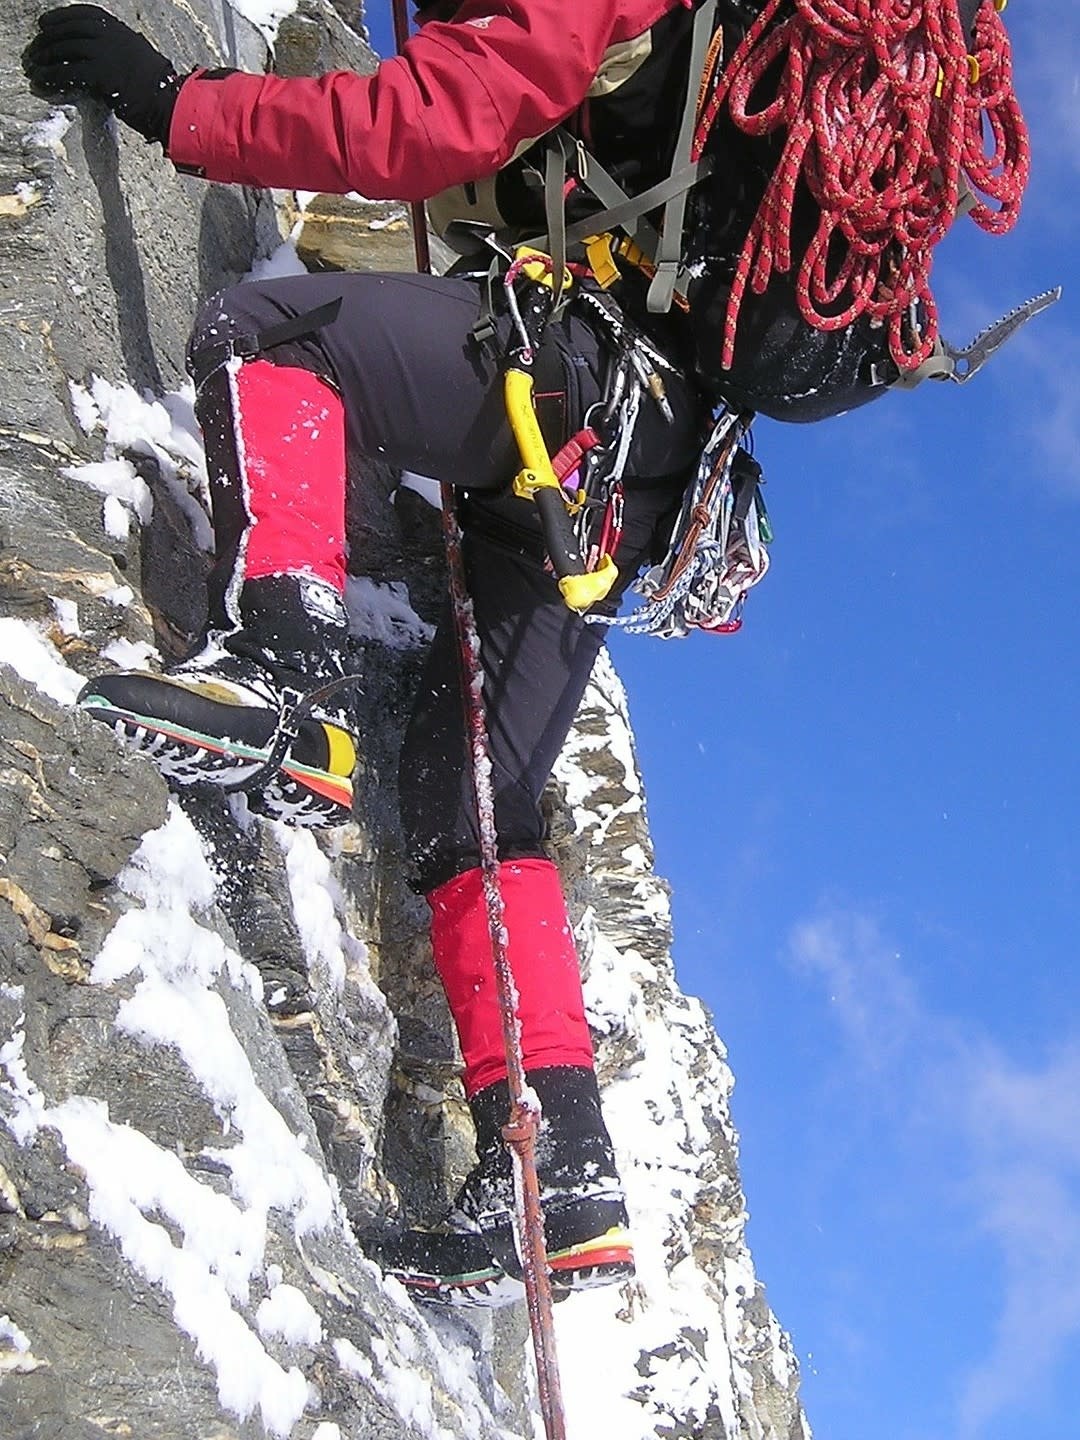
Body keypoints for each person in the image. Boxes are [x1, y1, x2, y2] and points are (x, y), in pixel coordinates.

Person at [22, 0, 1027, 1306]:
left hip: (568, 378)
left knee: (273, 341)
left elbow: (424, 120)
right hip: (644, 469)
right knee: (478, 798)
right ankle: (560, 1176)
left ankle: (286, 680)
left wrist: (176, 103)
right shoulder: (764, 51)